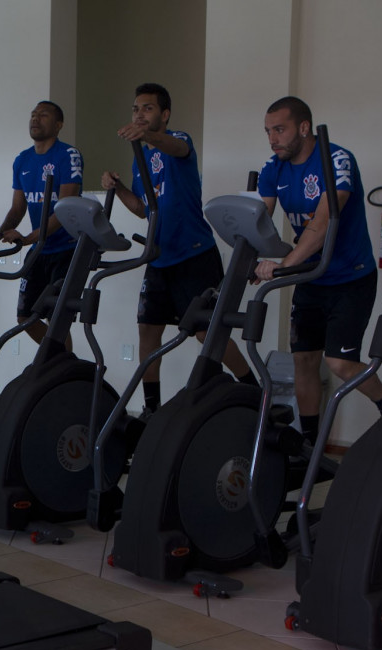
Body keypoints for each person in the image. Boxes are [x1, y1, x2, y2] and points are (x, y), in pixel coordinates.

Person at [101, 83, 255, 415]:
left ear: (164, 114)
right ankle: (152, 410)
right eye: (135, 109)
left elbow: (172, 146)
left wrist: (145, 135)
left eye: (148, 109)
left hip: (194, 255)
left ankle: (254, 392)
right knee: (147, 333)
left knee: (206, 334)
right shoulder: (141, 156)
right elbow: (144, 209)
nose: (140, 114)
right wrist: (120, 187)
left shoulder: (178, 142)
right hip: (159, 257)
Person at [255, 96, 382, 443]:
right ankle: (310, 444)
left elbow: (320, 227)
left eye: (280, 129)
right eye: (268, 131)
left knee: (340, 364)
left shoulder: (336, 160)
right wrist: (252, 255)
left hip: (350, 277)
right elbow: (259, 220)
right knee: (303, 361)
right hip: (311, 277)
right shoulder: (274, 168)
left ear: (304, 128)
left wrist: (284, 265)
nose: (273, 138)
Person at [0, 101, 82, 345]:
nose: (35, 119)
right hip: (39, 250)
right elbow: (17, 208)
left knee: (58, 318)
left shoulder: (68, 155)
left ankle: (62, 366)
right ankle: (59, 360)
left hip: (66, 249)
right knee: (25, 316)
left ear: (58, 125)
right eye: (33, 115)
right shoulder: (22, 159)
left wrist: (29, 238)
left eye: (43, 115)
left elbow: (65, 208)